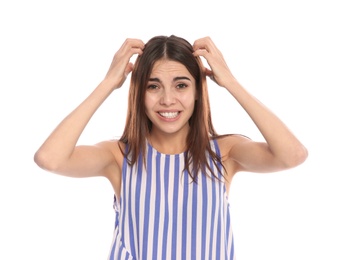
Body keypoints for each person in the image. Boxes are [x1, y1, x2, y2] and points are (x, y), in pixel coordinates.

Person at [34, 35, 308, 260]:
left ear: (198, 90)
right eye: (154, 86)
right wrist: (107, 84)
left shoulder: (223, 154)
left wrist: (231, 82)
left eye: (181, 85)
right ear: (139, 93)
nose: (168, 100)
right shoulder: (119, 158)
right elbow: (50, 158)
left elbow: (292, 155)